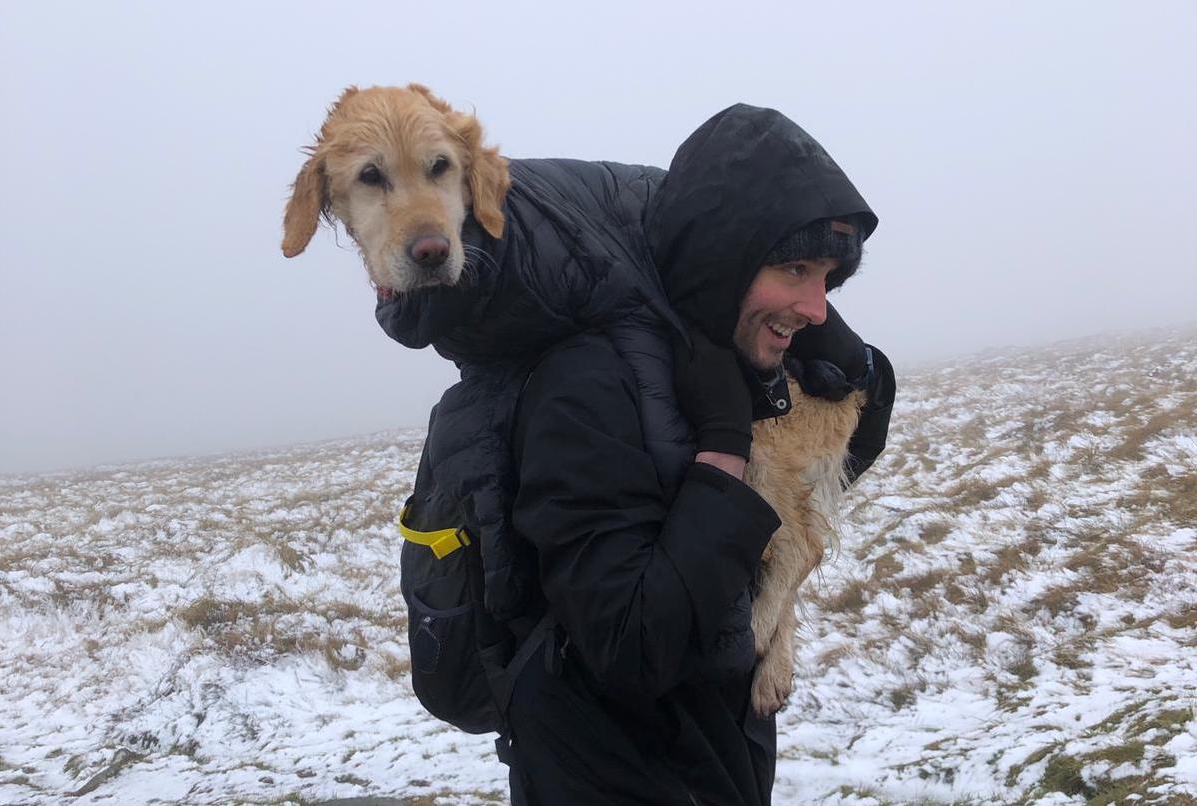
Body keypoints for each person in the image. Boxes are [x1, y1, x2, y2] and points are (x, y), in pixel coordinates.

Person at [377, 104, 894, 805]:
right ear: (720, 260)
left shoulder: (717, 361)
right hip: (611, 773)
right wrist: (722, 451)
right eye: (794, 269)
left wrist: (866, 379)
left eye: (828, 279)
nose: (815, 307)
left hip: (714, 761)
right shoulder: (589, 385)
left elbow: (817, 477)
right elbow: (632, 647)